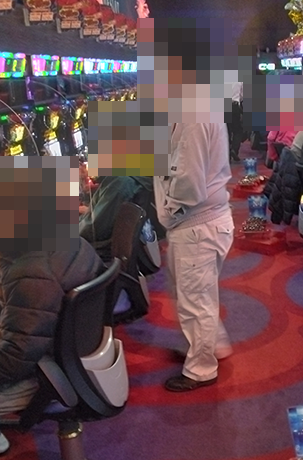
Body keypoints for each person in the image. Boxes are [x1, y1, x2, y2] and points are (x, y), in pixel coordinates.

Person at [0, 238, 104, 454]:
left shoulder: (30, 271)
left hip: (46, 374)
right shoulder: (67, 239)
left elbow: (16, 358)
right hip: (69, 355)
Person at [155, 123, 235, 392]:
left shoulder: (195, 117)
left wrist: (168, 212)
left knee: (195, 302)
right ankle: (214, 344)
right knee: (194, 295)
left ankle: (201, 369)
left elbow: (188, 185)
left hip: (196, 224)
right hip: (196, 223)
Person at [79, 176, 164, 261]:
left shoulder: (119, 184)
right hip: (110, 245)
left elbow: (93, 229)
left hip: (101, 250)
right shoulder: (131, 178)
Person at [228, 82, 243, 162]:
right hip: (234, 105)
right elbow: (242, 95)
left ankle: (227, 152)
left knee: (226, 131)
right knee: (238, 131)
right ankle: (234, 149)